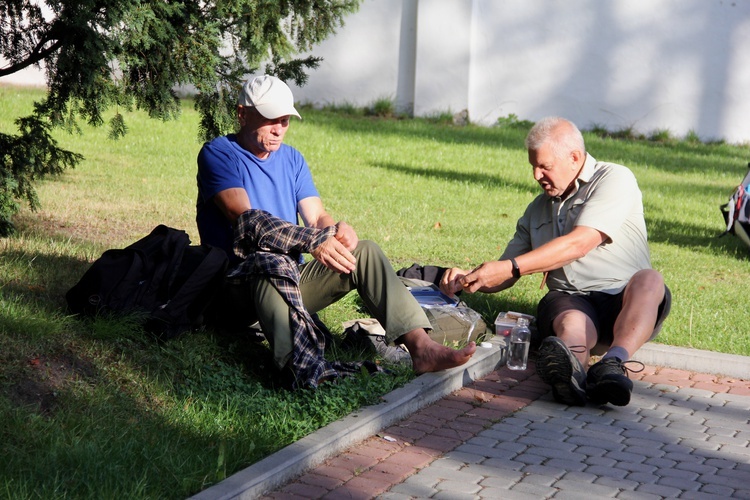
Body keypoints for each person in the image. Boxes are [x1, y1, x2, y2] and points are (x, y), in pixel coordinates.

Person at [196, 75, 475, 389]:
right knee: (269, 264)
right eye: (270, 119)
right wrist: (313, 241)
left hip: (290, 282)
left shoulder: (292, 159)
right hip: (238, 287)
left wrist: (335, 231)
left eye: (285, 121)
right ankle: (297, 372)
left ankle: (422, 348)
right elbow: (246, 219)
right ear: (242, 114)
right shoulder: (218, 153)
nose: (278, 129)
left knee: (364, 251)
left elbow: (316, 216)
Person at [440, 116, 670, 407]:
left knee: (650, 279)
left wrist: (511, 267)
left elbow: (581, 243)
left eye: (544, 166)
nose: (536, 175)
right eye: (533, 166)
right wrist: (470, 278)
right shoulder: (536, 209)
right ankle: (572, 374)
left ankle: (613, 364)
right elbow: (506, 271)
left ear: (574, 158)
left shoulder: (614, 178)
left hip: (625, 301)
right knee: (571, 320)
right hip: (570, 300)